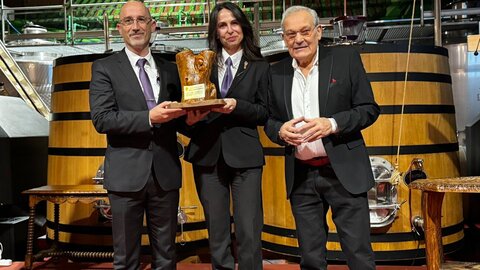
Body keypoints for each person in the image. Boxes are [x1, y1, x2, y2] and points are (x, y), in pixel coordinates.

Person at [264, 6, 380, 270]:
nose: (298, 39)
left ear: (318, 32)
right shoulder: (275, 72)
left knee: (359, 256)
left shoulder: (345, 60)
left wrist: (333, 124)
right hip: (302, 177)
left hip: (344, 173)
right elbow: (269, 121)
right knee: (311, 259)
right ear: (283, 38)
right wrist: (280, 132)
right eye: (290, 34)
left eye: (305, 31)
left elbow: (369, 109)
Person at [89, 1, 185, 269]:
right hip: (125, 175)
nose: (135, 26)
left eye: (141, 20)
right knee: (126, 258)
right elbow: (102, 119)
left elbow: (178, 116)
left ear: (152, 25)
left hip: (165, 173)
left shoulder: (170, 68)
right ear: (120, 28)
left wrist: (193, 117)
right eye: (129, 21)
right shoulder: (104, 67)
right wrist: (147, 117)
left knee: (166, 255)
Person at [183, 2, 269, 270]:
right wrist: (189, 119)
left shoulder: (260, 66)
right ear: (215, 31)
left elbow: (265, 112)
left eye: (234, 23)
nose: (229, 30)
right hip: (207, 155)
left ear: (243, 26)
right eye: (222, 25)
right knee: (217, 231)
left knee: (248, 230)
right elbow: (189, 106)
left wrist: (237, 106)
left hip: (245, 156)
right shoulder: (200, 65)